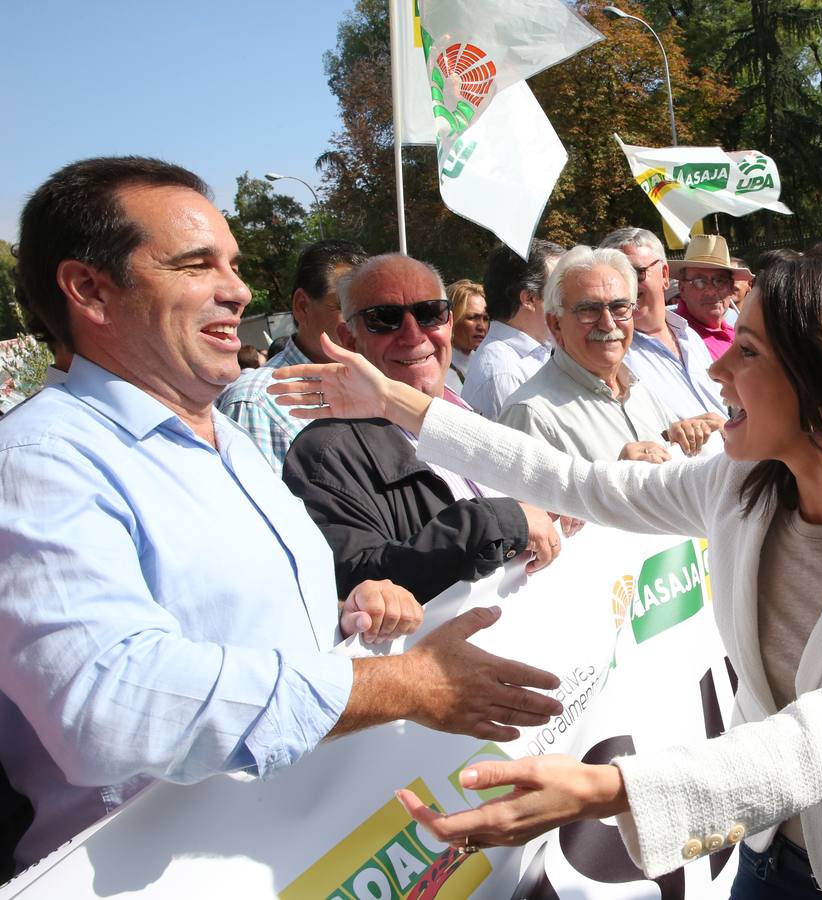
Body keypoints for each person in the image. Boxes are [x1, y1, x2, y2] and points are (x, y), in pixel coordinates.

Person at [269, 255, 822, 900]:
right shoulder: (739, 485)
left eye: (751, 351)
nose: (718, 366)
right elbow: (572, 479)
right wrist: (396, 402)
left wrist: (611, 791)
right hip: (769, 855)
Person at [0, 157, 565, 868]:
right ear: (90, 289)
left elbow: (233, 620)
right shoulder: (38, 461)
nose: (237, 291)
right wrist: (402, 684)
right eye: (197, 265)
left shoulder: (222, 438)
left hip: (297, 847)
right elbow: (106, 706)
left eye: (233, 264)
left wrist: (347, 606)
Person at [282, 254, 563, 603]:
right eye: (384, 319)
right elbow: (359, 586)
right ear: (348, 339)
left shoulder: (466, 415)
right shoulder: (325, 453)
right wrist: (498, 522)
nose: (413, 334)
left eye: (430, 312)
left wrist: (547, 504)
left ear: (447, 321)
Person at [498, 245, 721, 463]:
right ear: (555, 324)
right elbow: (527, 501)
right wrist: (619, 479)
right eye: (589, 310)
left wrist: (678, 437)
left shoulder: (637, 391)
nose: (608, 323)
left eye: (619, 307)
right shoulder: (531, 415)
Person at [216, 239, 368, 471]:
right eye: (346, 306)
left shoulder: (379, 383)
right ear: (302, 306)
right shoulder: (256, 403)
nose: (366, 322)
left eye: (373, 309)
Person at [599, 226, 728, 420]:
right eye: (616, 276)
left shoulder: (688, 335)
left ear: (665, 275)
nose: (626, 285)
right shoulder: (612, 355)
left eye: (637, 272)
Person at [461, 240, 562, 418]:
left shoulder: (536, 353)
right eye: (559, 291)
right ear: (529, 299)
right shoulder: (503, 373)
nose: (568, 301)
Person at [669, 234, 747, 361]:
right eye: (699, 282)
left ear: (731, 287)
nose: (711, 291)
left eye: (720, 281)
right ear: (682, 289)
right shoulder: (678, 338)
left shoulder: (735, 329)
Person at [445, 278, 489, 394]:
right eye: (472, 317)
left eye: (485, 318)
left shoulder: (486, 362)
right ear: (451, 319)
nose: (481, 326)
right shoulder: (437, 366)